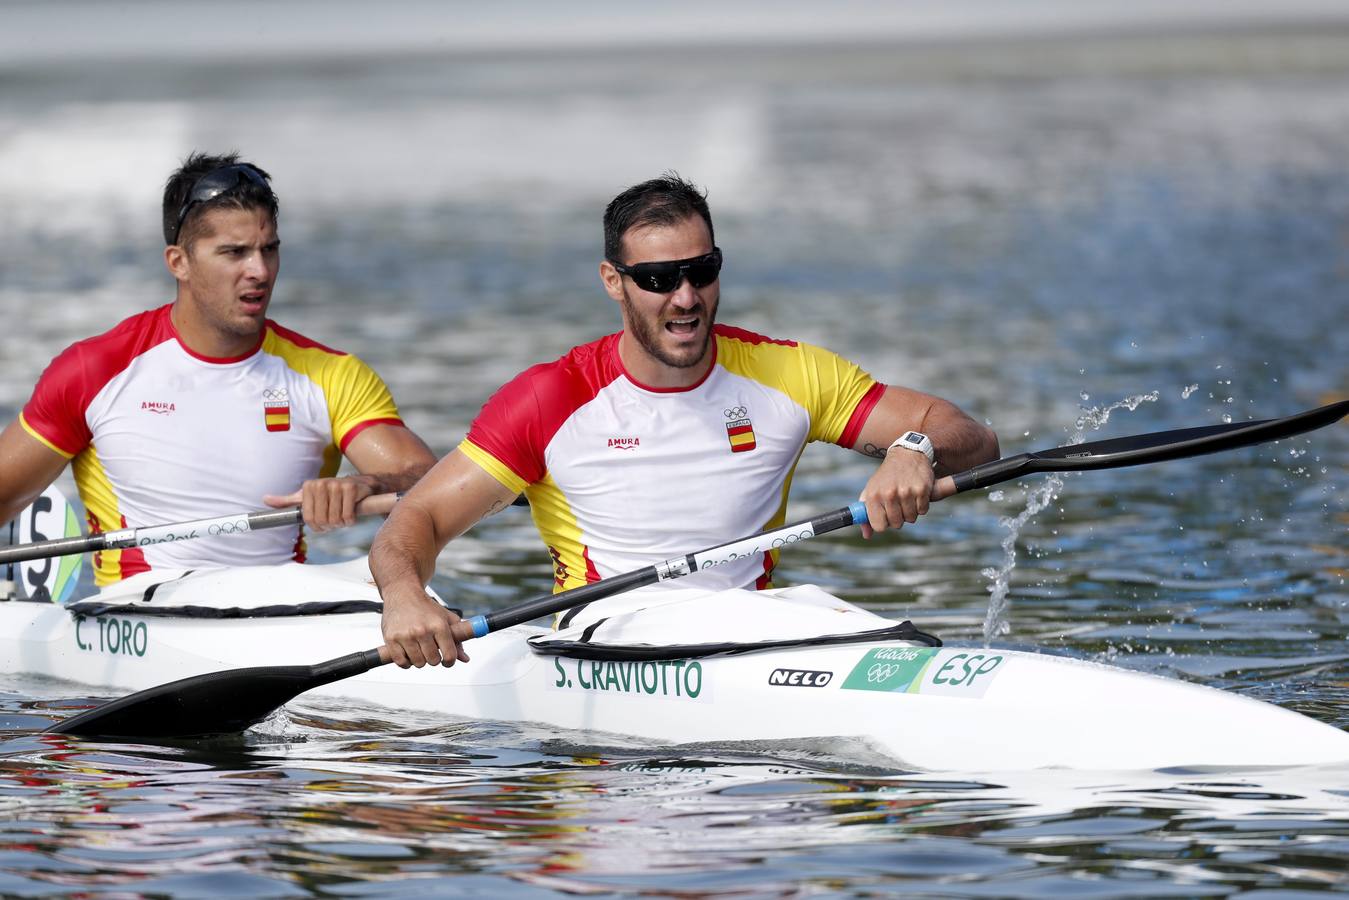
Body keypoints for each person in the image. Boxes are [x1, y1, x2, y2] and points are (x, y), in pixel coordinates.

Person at [371, 173, 999, 669]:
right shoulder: (551, 397)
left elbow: (973, 438)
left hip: (757, 627)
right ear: (613, 282)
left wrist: (913, 448)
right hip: (605, 634)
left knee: (871, 632)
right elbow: (414, 523)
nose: (686, 297)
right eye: (658, 278)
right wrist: (406, 599)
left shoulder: (789, 374)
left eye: (702, 270)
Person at [0, 152, 437, 586]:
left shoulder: (331, 375)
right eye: (235, 252)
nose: (260, 271)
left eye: (269, 250)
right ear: (179, 262)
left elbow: (427, 481)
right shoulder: (93, 371)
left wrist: (367, 483)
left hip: (283, 607)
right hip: (141, 614)